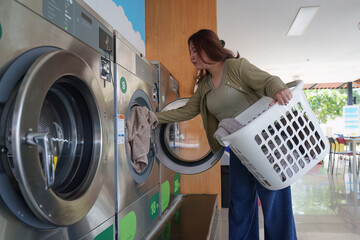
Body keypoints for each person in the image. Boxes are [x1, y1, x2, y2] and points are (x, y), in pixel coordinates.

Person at [155, 29, 297, 240]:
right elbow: (187, 110)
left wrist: (277, 90)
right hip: (241, 151)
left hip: (267, 145)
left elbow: (268, 80)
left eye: (194, 50)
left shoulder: (236, 67)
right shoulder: (204, 86)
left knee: (274, 206)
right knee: (239, 205)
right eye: (190, 52)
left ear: (208, 47)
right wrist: (154, 117)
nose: (191, 56)